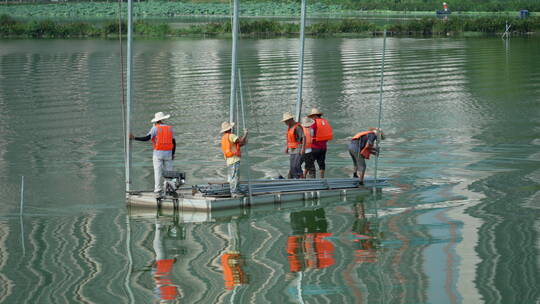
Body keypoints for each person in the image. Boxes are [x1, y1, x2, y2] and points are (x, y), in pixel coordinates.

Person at [130, 112, 176, 198]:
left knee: (157, 172)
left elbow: (147, 138)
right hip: (168, 153)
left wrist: (134, 138)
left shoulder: (155, 128)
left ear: (156, 121)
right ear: (163, 120)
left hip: (158, 153)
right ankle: (170, 189)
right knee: (169, 172)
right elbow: (174, 142)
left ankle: (158, 190)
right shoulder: (170, 128)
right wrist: (173, 153)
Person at [220, 121, 248, 197]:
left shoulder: (224, 138)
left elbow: (236, 146)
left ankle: (237, 190)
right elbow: (240, 141)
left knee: (233, 176)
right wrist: (245, 133)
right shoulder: (231, 136)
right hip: (234, 160)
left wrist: (243, 143)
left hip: (229, 160)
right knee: (235, 176)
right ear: (230, 129)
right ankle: (234, 192)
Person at [307, 108, 333, 178]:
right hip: (324, 147)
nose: (312, 118)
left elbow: (311, 135)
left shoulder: (314, 124)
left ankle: (305, 177)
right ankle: (322, 178)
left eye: (312, 116)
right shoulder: (325, 122)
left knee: (309, 162)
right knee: (321, 163)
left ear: (315, 116)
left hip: (314, 147)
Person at [281, 112, 305, 179]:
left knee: (296, 165)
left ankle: (301, 177)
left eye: (286, 121)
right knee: (292, 167)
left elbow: (304, 137)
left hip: (298, 148)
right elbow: (289, 139)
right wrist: (287, 147)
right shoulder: (290, 127)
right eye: (285, 121)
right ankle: (295, 179)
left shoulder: (297, 127)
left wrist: (303, 148)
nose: (285, 123)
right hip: (292, 149)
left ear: (290, 120)